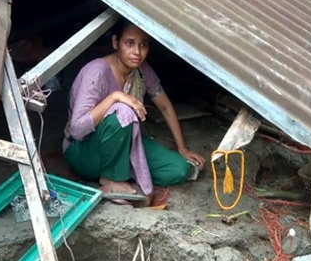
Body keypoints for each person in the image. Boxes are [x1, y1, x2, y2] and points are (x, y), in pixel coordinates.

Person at [63, 20, 205, 200]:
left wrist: (182, 148)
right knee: (122, 110)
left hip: (124, 143)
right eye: (129, 43)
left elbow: (165, 106)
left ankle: (124, 171)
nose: (137, 52)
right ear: (116, 43)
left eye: (143, 45)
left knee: (178, 169)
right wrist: (115, 96)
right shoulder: (97, 72)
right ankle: (112, 179)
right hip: (84, 151)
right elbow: (77, 130)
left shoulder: (142, 71)